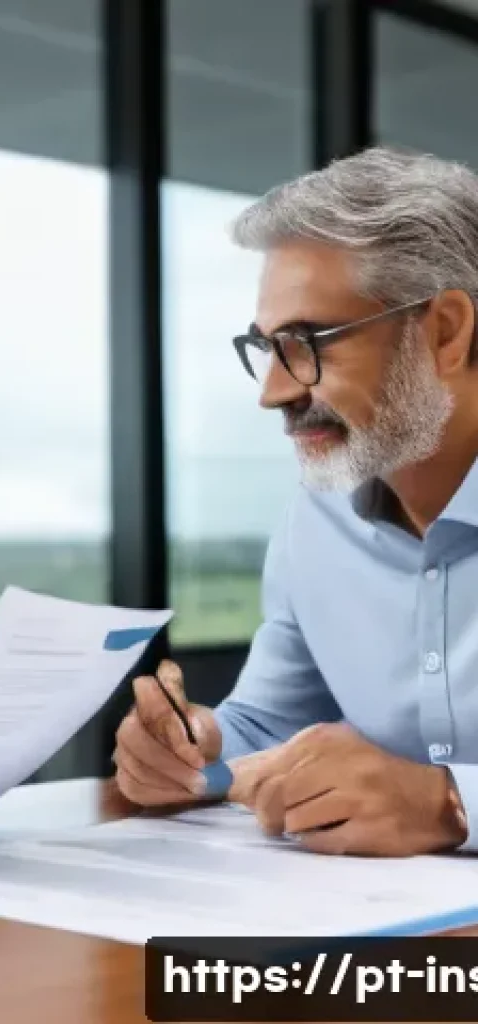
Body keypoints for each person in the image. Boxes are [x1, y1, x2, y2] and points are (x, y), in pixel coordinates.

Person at [113, 146, 478, 857]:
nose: (273, 391)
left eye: (309, 343)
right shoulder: (319, 514)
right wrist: (199, 749)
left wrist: (449, 803)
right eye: (265, 347)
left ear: (445, 332)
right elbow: (273, 724)